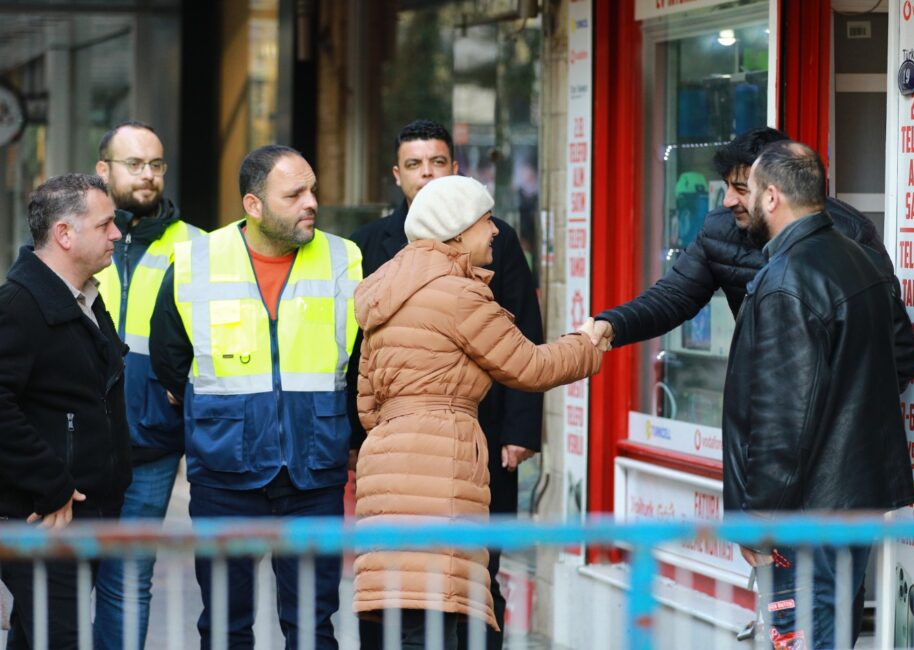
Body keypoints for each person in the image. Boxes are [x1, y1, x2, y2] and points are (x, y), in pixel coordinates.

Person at [352, 175, 604, 649]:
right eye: (485, 220)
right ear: (457, 231)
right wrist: (587, 345)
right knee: (434, 616)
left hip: (385, 464)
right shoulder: (458, 293)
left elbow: (367, 400)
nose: (495, 231)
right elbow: (528, 365)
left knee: (404, 611)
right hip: (440, 466)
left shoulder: (385, 289)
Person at [149, 145, 362, 649]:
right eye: (295, 194)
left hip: (314, 471)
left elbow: (362, 358)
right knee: (225, 625)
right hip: (226, 471)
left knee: (312, 626)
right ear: (254, 205)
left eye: (313, 189)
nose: (311, 202)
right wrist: (219, 410)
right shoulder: (195, 260)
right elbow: (170, 358)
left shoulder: (343, 257)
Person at [350, 119, 543, 650]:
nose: (426, 173)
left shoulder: (491, 239)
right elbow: (359, 355)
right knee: (401, 584)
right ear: (397, 174)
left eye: (437, 162)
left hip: (485, 435)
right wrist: (362, 435)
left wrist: (521, 430)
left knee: (477, 573)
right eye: (414, 164)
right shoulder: (371, 243)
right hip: (406, 444)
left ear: (454, 169)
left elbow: (523, 330)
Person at [728, 141, 914, 648]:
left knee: (806, 635)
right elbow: (901, 359)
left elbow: (782, 420)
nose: (738, 203)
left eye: (747, 191)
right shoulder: (862, 260)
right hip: (853, 500)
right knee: (831, 632)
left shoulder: (787, 278)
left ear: (772, 197)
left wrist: (759, 521)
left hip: (804, 513)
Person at [591, 126, 887, 347]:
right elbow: (672, 298)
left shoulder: (851, 236)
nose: (728, 200)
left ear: (773, 191)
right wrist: (612, 324)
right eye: (727, 186)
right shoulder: (720, 229)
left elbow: (894, 348)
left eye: (742, 189)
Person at [0, 173, 131, 648]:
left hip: (81, 515)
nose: (116, 233)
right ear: (64, 234)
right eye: (105, 224)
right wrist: (51, 484)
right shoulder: (19, 306)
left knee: (35, 636)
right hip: (43, 520)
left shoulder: (86, 301)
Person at [91, 119, 203, 650]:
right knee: (60, 580)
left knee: (129, 580)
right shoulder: (76, 237)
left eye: (156, 164)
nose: (148, 175)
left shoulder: (198, 248)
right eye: (134, 164)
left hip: (152, 445)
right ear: (104, 170)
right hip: (81, 439)